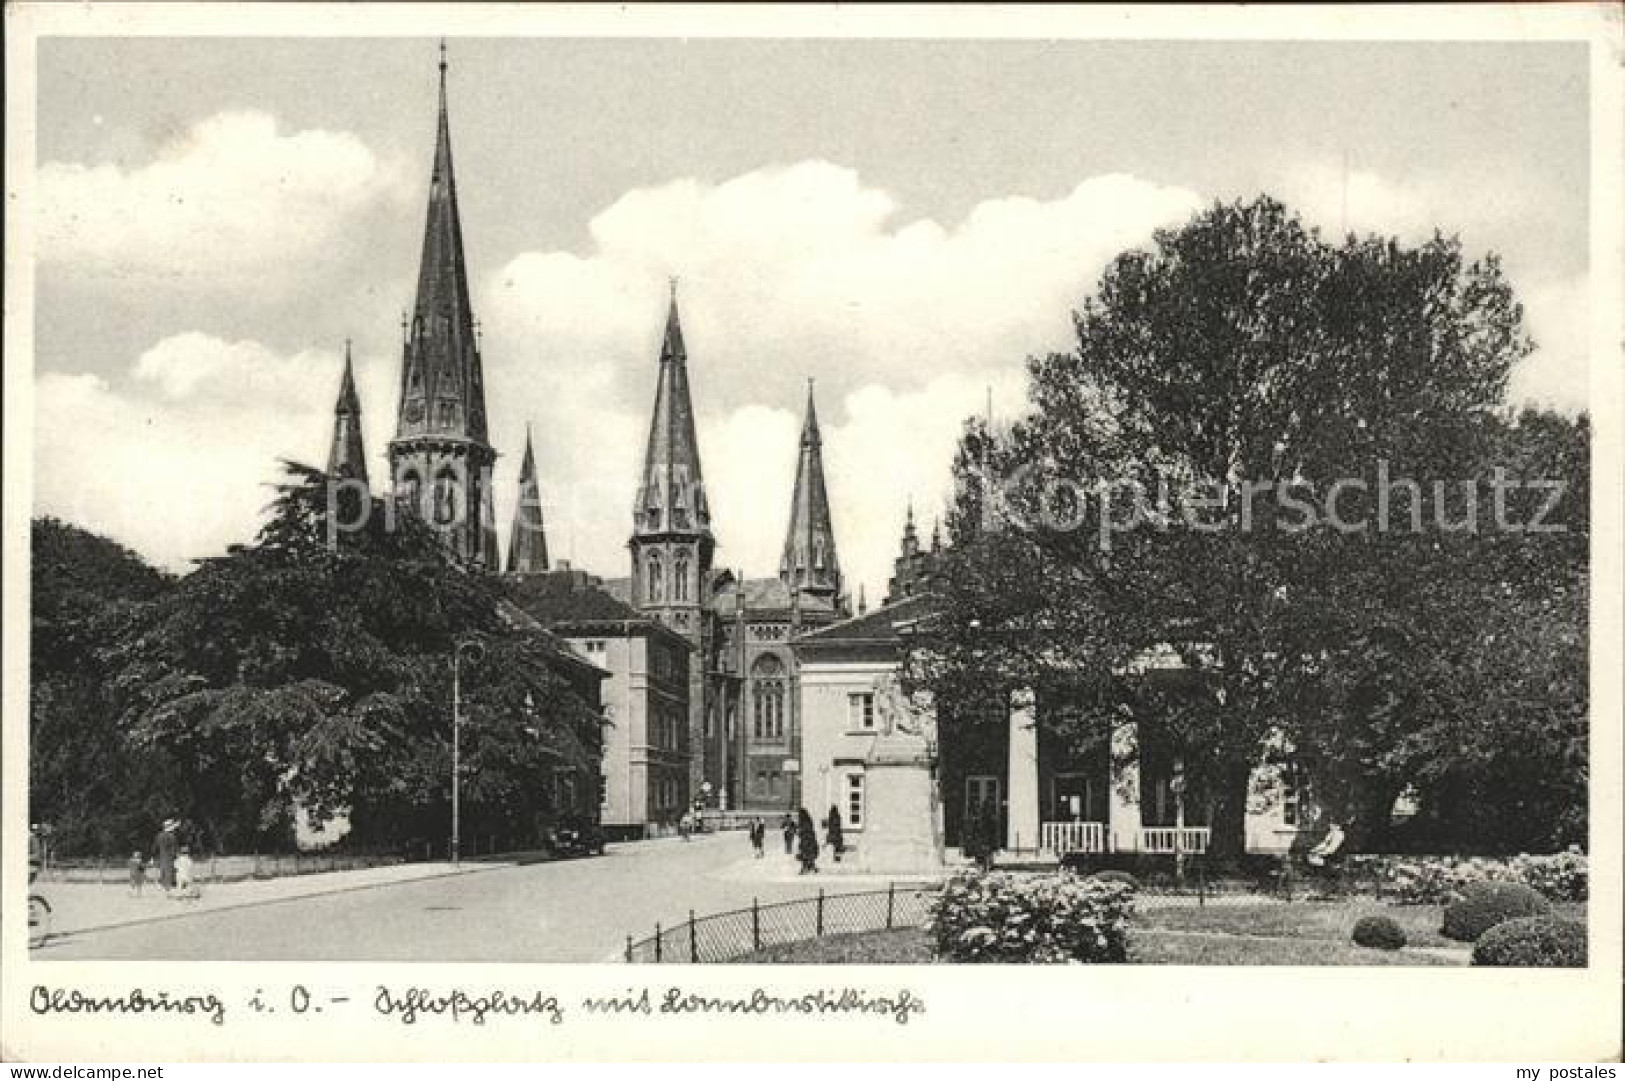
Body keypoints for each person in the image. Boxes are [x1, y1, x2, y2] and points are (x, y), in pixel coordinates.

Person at [152, 819, 179, 895]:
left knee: (163, 873)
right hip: (169, 858)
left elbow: (155, 848)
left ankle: (166, 890)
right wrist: (175, 857)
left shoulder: (159, 836)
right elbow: (174, 849)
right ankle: (170, 891)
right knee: (170, 873)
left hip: (161, 858)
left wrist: (155, 857)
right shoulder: (172, 836)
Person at [795, 808, 820, 875]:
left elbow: (805, 831)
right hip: (808, 841)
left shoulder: (805, 822)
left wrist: (799, 832)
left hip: (807, 842)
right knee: (807, 856)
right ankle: (812, 868)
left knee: (805, 856)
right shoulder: (807, 821)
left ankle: (806, 869)